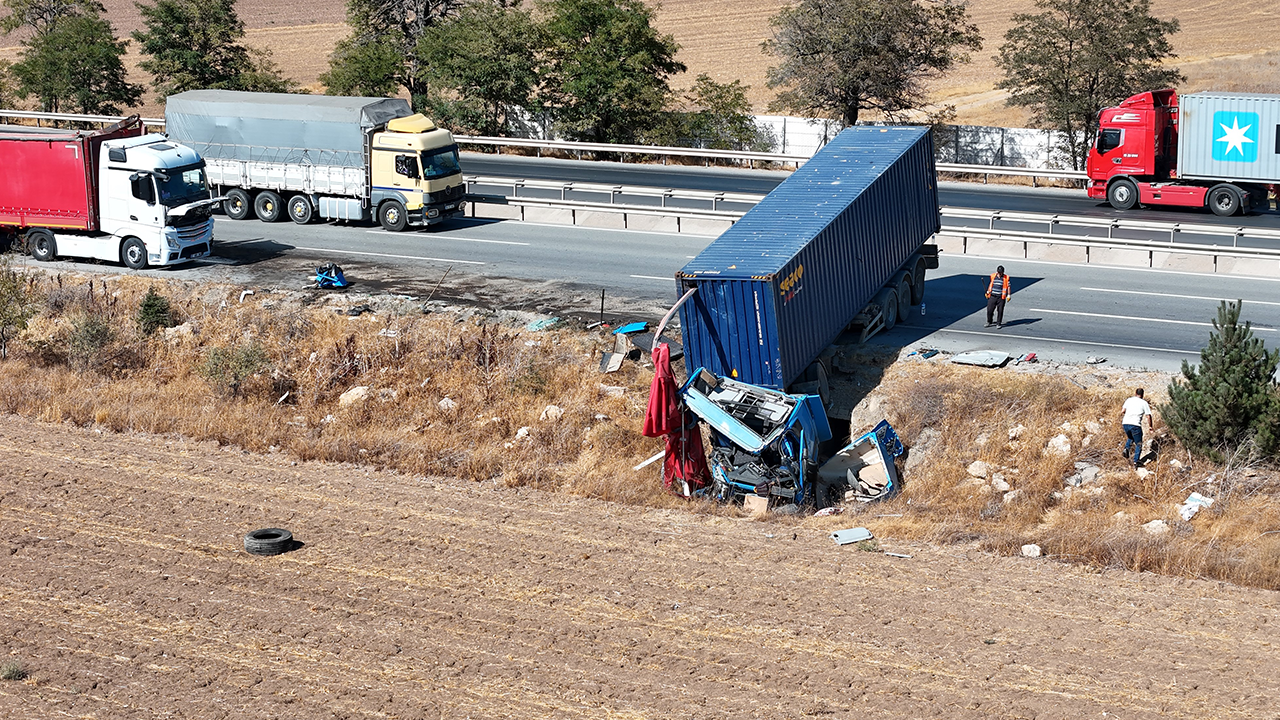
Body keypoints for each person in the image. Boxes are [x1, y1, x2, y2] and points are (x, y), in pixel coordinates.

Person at [1120, 388, 1154, 468]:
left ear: (1135, 393)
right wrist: (1150, 427)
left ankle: (1127, 448)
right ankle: (1136, 461)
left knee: (1130, 437)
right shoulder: (1144, 403)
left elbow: (1123, 411)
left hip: (1125, 423)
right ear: (1142, 394)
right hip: (1135, 424)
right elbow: (1148, 416)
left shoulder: (1129, 400)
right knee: (1139, 443)